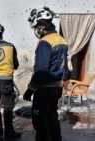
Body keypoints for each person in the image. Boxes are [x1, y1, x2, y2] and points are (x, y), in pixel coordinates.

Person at [23, 7, 68, 141]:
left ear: (42, 27)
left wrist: (30, 90)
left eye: (37, 28)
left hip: (43, 90)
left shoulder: (45, 42)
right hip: (55, 88)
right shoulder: (61, 40)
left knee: (40, 121)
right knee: (52, 118)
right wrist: (60, 85)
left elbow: (42, 71)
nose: (36, 30)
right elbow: (63, 67)